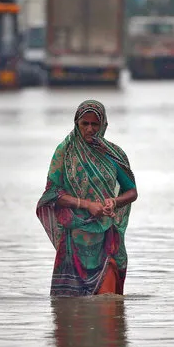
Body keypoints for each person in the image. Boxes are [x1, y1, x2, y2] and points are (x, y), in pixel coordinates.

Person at [36, 100, 138, 297]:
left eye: (95, 124)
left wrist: (114, 202)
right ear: (77, 124)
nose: (90, 129)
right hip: (74, 240)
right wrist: (86, 204)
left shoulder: (113, 154)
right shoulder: (64, 153)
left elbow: (132, 192)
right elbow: (51, 194)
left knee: (109, 305)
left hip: (107, 237)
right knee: (70, 315)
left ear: (104, 125)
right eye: (85, 124)